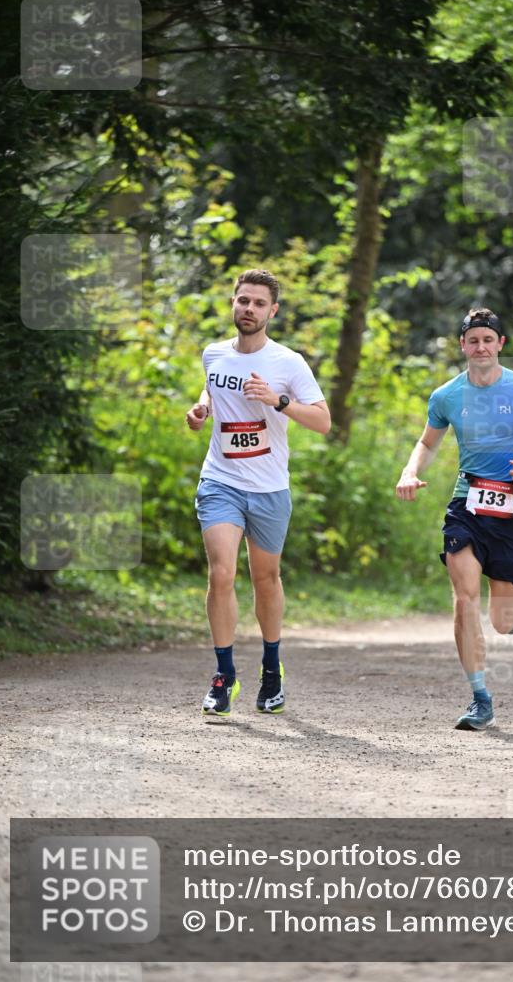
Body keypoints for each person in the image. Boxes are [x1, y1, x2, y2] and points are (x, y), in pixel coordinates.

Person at [395, 308, 513, 731]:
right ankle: (480, 698)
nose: (481, 347)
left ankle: (512, 611)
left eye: (489, 339)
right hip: (467, 503)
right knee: (464, 596)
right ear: (463, 346)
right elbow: (426, 443)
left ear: (500, 344)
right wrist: (410, 471)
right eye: (473, 341)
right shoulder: (446, 396)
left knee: (502, 621)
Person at [186, 269, 331, 717]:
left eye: (258, 303)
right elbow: (210, 391)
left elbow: (323, 421)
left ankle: (271, 668)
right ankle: (224, 675)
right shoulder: (213, 354)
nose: (248, 309)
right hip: (221, 481)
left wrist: (278, 401)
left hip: (269, 488)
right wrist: (201, 410)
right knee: (222, 574)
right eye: (242, 300)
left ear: (273, 311)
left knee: (265, 579)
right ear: (233, 303)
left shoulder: (288, 363)